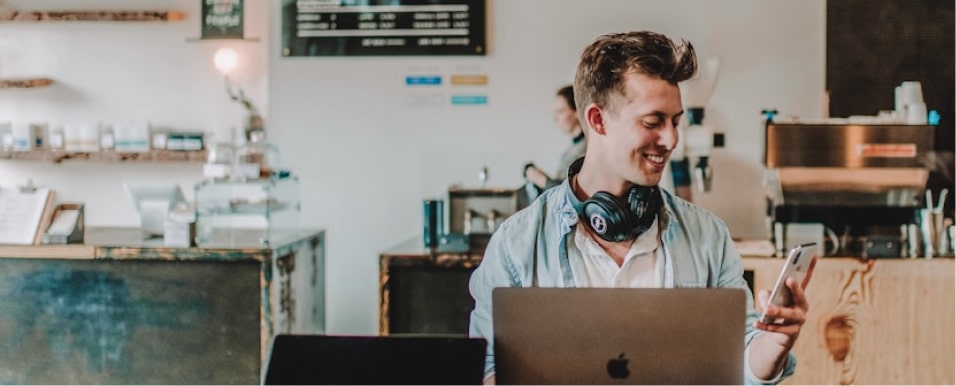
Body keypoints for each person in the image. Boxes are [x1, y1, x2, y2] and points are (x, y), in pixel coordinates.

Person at [469, 31, 812, 385]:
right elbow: (488, 367)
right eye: (653, 122)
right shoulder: (515, 244)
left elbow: (739, 361)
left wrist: (774, 343)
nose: (671, 140)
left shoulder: (708, 235)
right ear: (598, 120)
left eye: (676, 121)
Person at [523, 85, 587, 196]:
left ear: (576, 111)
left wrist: (540, 179)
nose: (555, 118)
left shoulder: (586, 148)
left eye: (560, 111)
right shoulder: (574, 147)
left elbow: (569, 195)